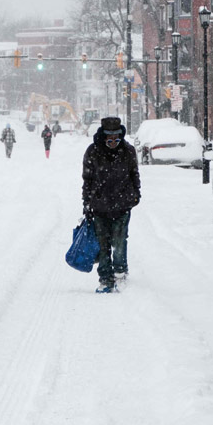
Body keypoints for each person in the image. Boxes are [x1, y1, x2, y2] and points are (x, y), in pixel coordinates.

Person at [81, 116, 141, 293]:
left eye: (117, 138)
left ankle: (120, 271)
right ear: (103, 136)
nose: (113, 142)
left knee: (119, 240)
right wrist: (87, 202)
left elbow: (134, 175)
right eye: (110, 138)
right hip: (99, 206)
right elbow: (87, 180)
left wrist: (135, 195)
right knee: (103, 243)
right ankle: (105, 278)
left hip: (122, 205)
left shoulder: (128, 151)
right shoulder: (92, 152)